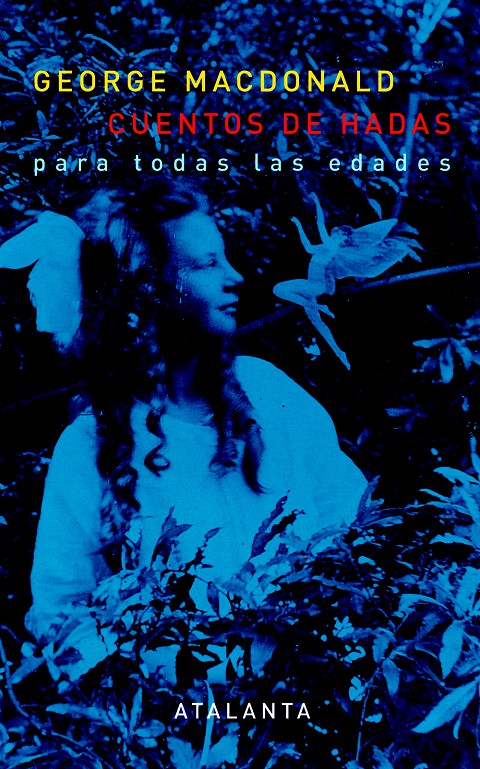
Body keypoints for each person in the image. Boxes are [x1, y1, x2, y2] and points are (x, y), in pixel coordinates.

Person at [0, 181, 367, 682]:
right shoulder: (89, 447)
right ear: (149, 286)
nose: (235, 277)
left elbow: (352, 526)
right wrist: (170, 680)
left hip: (314, 694)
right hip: (177, 716)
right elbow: (64, 615)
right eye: (207, 264)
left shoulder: (270, 395)